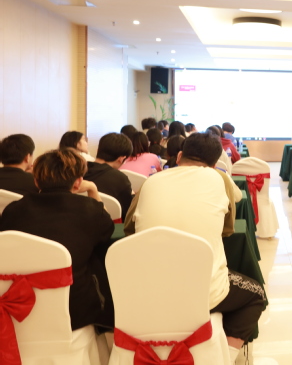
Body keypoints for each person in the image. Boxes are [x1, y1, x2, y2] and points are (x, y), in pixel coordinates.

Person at [124, 133, 264, 361]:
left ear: (179, 156)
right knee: (256, 294)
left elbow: (129, 228)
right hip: (202, 296)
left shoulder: (152, 181)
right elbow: (228, 228)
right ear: (214, 164)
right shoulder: (219, 178)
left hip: (146, 291)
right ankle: (225, 357)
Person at [0, 149, 115, 330]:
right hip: (75, 311)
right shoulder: (91, 210)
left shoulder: (13, 210)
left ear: (36, 180)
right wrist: (92, 189)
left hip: (20, 307)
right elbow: (108, 229)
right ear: (78, 182)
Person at [84, 132, 134, 218]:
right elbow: (127, 214)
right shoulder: (120, 179)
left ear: (98, 150)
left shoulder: (76, 171)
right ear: (121, 159)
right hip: (108, 224)